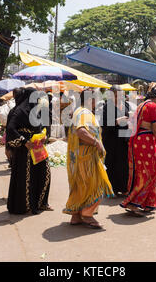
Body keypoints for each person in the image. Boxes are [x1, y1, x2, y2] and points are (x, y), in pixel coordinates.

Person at [64, 89, 114, 229]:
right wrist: (96, 143)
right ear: (89, 100)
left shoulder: (78, 111)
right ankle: (87, 214)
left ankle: (76, 215)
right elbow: (81, 131)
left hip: (78, 156)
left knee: (79, 185)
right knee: (95, 185)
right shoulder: (84, 113)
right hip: (86, 157)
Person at [120, 87, 156, 216]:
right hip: (146, 141)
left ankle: (149, 204)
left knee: (141, 171)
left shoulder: (141, 105)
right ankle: (133, 202)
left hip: (137, 140)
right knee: (149, 173)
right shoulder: (153, 106)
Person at [6, 87, 52, 215]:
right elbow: (10, 129)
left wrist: (44, 136)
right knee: (27, 178)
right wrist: (24, 142)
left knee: (44, 173)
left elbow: (43, 126)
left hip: (38, 147)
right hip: (25, 152)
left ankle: (41, 202)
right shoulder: (19, 111)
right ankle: (27, 205)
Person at [101, 85, 131, 196]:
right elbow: (103, 124)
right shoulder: (106, 107)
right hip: (111, 140)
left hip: (124, 140)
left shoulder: (127, 105)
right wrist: (117, 121)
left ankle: (124, 188)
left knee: (124, 165)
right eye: (118, 94)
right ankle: (111, 190)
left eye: (121, 94)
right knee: (111, 164)